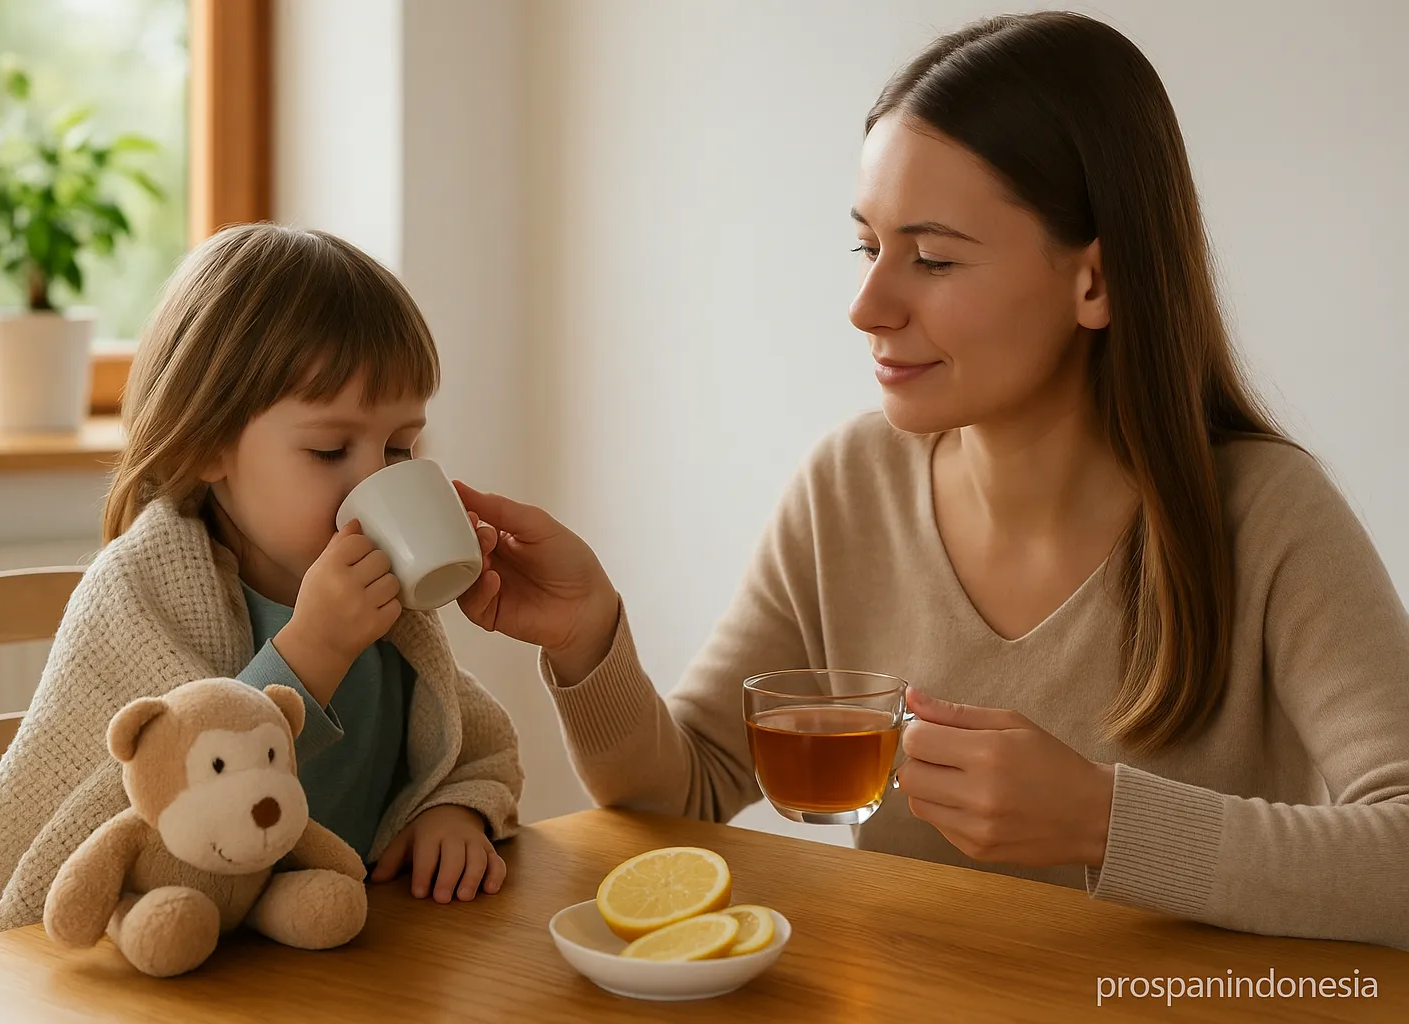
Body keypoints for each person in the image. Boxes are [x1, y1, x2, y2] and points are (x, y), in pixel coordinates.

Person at [450, 11, 1409, 949]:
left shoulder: (1267, 516)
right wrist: (588, 643)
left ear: (1096, 283)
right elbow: (688, 794)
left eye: (934, 257)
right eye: (869, 246)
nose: (868, 307)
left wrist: (1106, 824)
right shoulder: (847, 487)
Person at [0, 224, 522, 950]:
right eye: (330, 449)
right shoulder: (139, 594)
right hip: (167, 969)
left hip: (334, 965)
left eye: (400, 447)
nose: (375, 479)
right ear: (207, 444)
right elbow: (160, 791)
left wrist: (452, 811)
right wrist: (312, 652)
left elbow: (468, 743)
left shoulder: (389, 610)